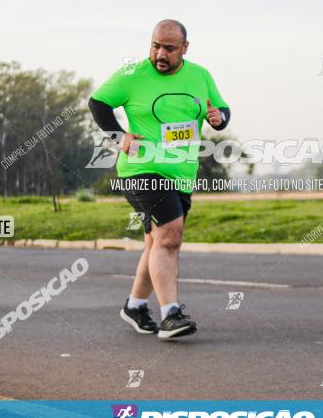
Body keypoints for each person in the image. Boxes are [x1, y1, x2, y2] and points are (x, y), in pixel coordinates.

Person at [88, 20, 230, 339]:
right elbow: (97, 103)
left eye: (169, 48)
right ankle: (171, 314)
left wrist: (220, 119)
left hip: (181, 174)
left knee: (155, 241)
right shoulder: (132, 74)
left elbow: (220, 109)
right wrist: (118, 135)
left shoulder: (200, 75)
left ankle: (136, 305)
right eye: (155, 46)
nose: (159, 54)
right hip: (141, 170)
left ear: (185, 48)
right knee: (169, 235)